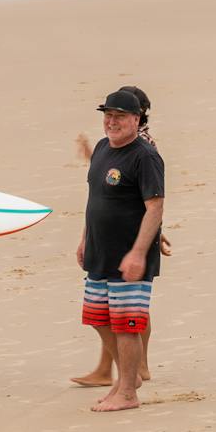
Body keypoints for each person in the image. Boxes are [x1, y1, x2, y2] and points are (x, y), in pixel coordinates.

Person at [70, 86, 170, 390]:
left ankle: (128, 383)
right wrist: (85, 238)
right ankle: (125, 372)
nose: (112, 121)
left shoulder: (146, 153)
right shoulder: (103, 147)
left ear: (137, 118)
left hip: (130, 249)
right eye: (108, 115)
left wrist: (142, 249)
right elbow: (97, 195)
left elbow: (154, 203)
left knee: (127, 321)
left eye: (120, 116)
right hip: (100, 249)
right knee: (98, 316)